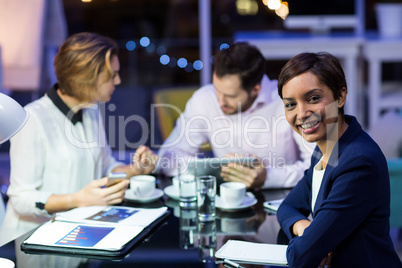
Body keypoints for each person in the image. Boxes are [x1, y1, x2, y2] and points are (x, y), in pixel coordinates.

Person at [0, 32, 158, 251]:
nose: (118, 81)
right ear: (85, 78)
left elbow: (105, 167)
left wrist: (136, 169)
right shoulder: (33, 119)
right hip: (34, 243)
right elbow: (21, 199)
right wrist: (79, 199)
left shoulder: (91, 109)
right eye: (111, 76)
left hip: (79, 235)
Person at [276, 52, 402, 267]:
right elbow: (286, 207)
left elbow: (302, 255)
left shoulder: (358, 161)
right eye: (291, 105)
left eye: (313, 98)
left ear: (340, 96)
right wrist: (304, 228)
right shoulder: (325, 148)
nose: (302, 113)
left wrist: (310, 243)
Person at [157, 42, 313, 189]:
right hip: (224, 202)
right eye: (217, 90)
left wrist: (268, 177)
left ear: (256, 89)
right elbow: (170, 157)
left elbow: (319, 167)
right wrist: (155, 162)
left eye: (230, 96)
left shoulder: (287, 101)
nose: (220, 101)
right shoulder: (205, 99)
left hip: (283, 201)